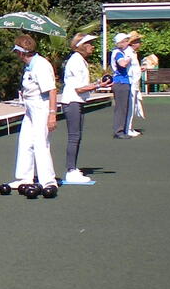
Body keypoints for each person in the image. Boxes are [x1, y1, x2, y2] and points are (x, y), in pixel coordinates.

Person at [8, 34, 58, 192]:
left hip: (41, 107)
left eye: (17, 52)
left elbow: (52, 90)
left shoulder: (41, 65)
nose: (16, 56)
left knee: (40, 143)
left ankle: (48, 181)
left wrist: (52, 114)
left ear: (22, 52)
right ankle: (24, 177)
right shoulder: (30, 65)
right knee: (25, 141)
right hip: (30, 107)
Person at [60, 33, 107, 184]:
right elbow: (79, 88)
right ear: (82, 46)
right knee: (74, 136)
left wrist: (98, 83)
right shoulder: (75, 61)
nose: (93, 46)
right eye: (90, 43)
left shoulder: (81, 61)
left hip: (77, 101)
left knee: (77, 136)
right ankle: (70, 170)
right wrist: (99, 85)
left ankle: (73, 168)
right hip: (72, 101)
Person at [108, 33, 133, 139]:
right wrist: (129, 59)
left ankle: (121, 130)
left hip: (123, 82)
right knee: (121, 108)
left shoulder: (120, 52)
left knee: (123, 107)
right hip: (121, 82)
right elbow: (122, 64)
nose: (128, 42)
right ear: (121, 42)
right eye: (126, 40)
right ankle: (119, 131)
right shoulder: (118, 53)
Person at [125, 32, 144, 137]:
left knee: (133, 106)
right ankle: (128, 128)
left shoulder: (133, 53)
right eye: (138, 41)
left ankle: (130, 127)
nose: (140, 43)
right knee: (131, 106)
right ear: (133, 43)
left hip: (135, 83)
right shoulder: (128, 52)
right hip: (131, 83)